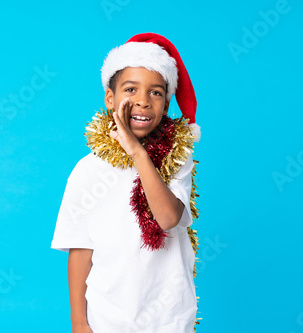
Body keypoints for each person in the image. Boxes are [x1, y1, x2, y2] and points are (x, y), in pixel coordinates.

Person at [51, 32, 201, 333]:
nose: (143, 101)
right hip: (108, 317)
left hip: (168, 316)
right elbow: (81, 249)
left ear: (167, 101)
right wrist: (79, 322)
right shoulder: (87, 171)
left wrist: (137, 152)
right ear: (111, 98)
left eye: (156, 93)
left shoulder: (176, 160)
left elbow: (168, 218)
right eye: (131, 89)